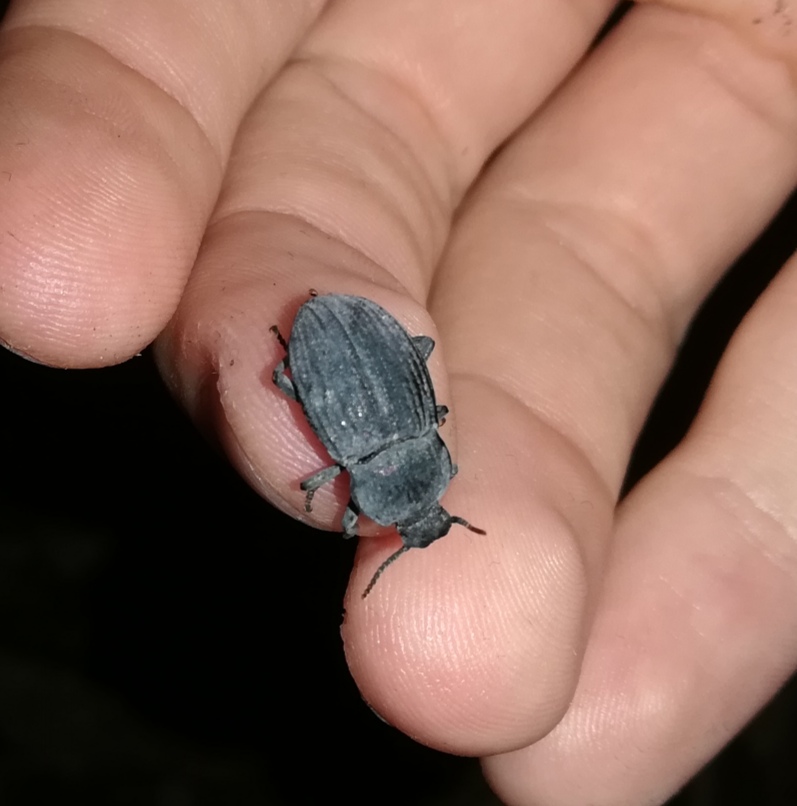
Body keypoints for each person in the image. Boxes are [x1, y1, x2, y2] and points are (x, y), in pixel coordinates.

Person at [0, 1, 794, 803]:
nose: (424, 518)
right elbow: (337, 448)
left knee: (304, 390)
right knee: (284, 393)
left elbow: (394, 377)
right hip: (341, 351)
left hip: (353, 347)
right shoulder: (362, 473)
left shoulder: (420, 435)